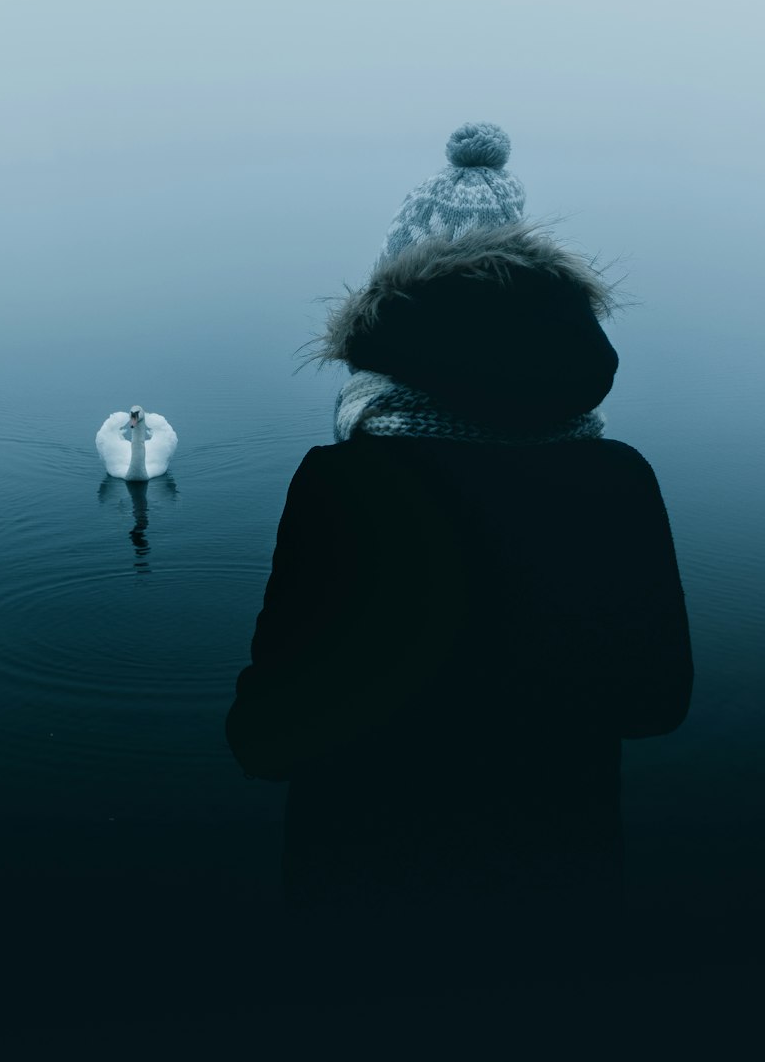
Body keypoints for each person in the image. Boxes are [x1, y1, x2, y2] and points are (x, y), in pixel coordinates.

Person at [225, 122, 693, 982]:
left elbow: (266, 739)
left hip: (363, 902)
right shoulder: (619, 480)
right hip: (559, 897)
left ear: (388, 336)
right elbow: (658, 702)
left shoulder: (347, 484)